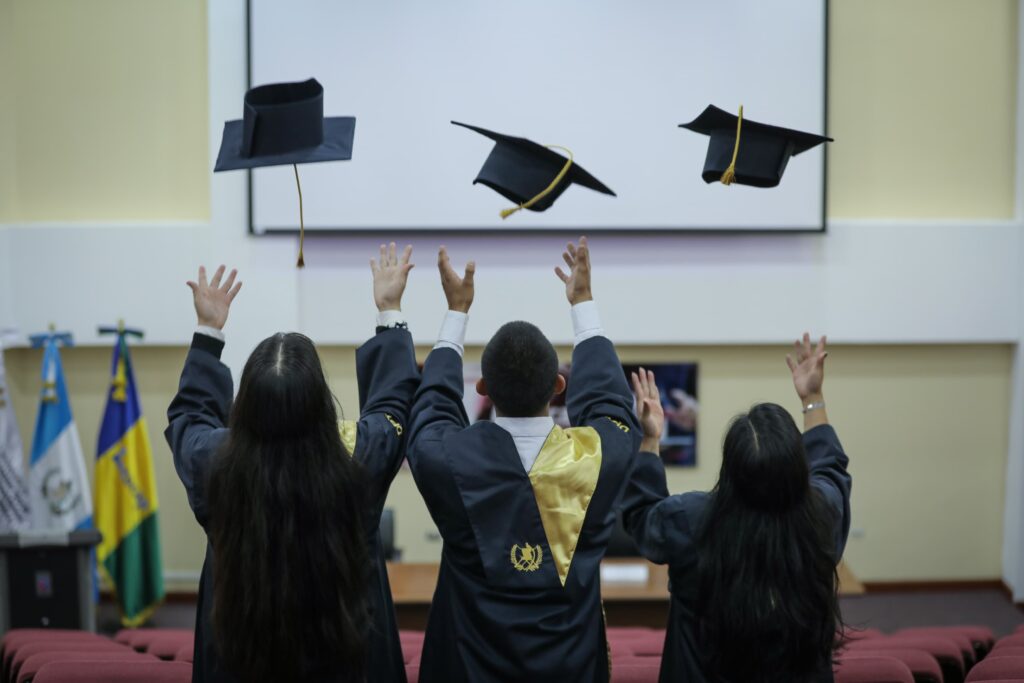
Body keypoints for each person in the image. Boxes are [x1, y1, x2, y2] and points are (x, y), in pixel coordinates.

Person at [165, 245, 419, 683]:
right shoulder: (357, 457)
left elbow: (188, 417)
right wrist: (389, 310)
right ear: (321, 402)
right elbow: (394, 406)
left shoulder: (215, 462)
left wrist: (209, 331)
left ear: (243, 404)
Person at [406, 237, 641, 683]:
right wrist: (583, 304)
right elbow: (612, 406)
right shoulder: (595, 459)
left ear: (482, 390)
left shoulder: (446, 459)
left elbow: (431, 407)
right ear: (558, 386)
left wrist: (456, 315)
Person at [623, 334, 852, 683]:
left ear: (729, 470)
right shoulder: (821, 518)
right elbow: (831, 467)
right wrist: (812, 398)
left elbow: (641, 515)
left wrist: (650, 439)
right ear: (797, 469)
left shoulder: (691, 520)